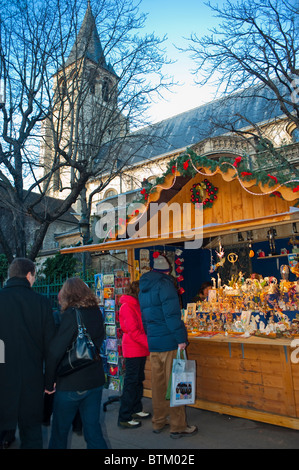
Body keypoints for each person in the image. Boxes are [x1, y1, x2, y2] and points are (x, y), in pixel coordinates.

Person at [138, 253, 198, 439]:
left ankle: (159, 420)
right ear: (168, 269)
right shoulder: (165, 284)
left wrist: (151, 337)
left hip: (154, 343)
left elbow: (146, 318)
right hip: (170, 342)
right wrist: (181, 338)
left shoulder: (143, 288)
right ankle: (178, 425)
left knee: (158, 384)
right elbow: (172, 315)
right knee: (178, 383)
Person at [45, 277, 107, 449]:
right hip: (94, 380)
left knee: (59, 434)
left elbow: (54, 352)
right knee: (94, 431)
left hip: (71, 383)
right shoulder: (96, 312)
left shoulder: (71, 315)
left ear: (67, 294)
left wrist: (49, 383)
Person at [0, 257, 56, 449]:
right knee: (32, 436)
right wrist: (49, 382)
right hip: (31, 381)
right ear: (29, 275)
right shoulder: (42, 303)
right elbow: (51, 348)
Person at [118, 281, 150, 429]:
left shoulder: (135, 305)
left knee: (137, 379)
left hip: (139, 347)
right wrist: (150, 344)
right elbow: (134, 331)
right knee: (131, 382)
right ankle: (124, 416)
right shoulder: (128, 306)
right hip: (133, 348)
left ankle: (136, 409)